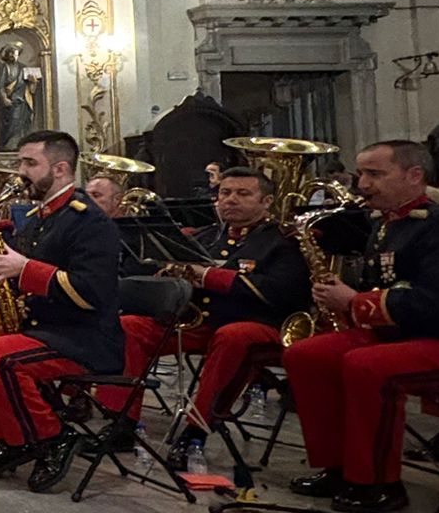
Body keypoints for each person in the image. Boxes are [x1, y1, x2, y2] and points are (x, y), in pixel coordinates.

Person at [280, 139, 439, 513]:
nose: (362, 184)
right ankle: (339, 467)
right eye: (362, 173)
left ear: (414, 176)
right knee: (307, 354)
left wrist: (355, 302)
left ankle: (377, 482)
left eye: (375, 174)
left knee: (368, 365)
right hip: (405, 333)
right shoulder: (386, 225)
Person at [0, 131, 123, 490]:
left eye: (30, 163)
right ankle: (1, 438)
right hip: (39, 327)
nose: (20, 172)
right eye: (20, 162)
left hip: (80, 335)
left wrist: (25, 270)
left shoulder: (88, 221)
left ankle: (52, 438)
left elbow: (92, 292)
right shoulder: (39, 217)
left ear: (61, 169)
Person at [118, 165, 304, 453]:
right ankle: (121, 422)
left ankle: (197, 429)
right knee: (129, 326)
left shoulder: (283, 240)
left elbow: (281, 291)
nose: (230, 199)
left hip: (256, 322)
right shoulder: (207, 236)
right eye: (225, 192)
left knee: (232, 337)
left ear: (266, 202)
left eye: (243, 193)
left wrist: (207, 276)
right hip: (201, 321)